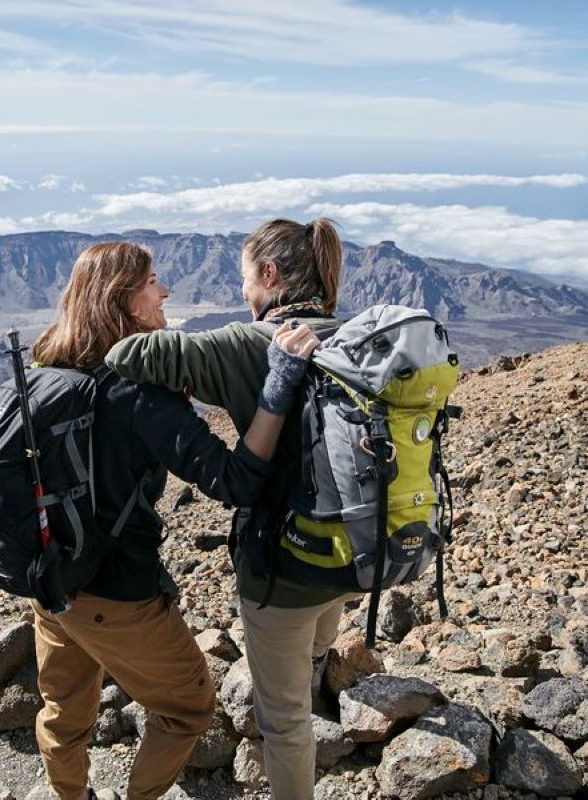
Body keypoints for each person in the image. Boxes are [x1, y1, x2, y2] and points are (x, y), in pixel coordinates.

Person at [26, 241, 320, 800]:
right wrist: (278, 387)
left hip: (47, 578)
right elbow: (234, 482)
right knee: (189, 707)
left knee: (64, 709)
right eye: (154, 282)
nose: (166, 292)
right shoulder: (140, 392)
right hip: (116, 594)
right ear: (125, 301)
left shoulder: (47, 370)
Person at [105, 218, 348, 800]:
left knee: (285, 723)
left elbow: (127, 353)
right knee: (310, 649)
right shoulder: (349, 336)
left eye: (244, 278)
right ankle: (314, 667)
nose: (242, 292)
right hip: (351, 553)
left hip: (282, 569)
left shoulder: (248, 345)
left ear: (268, 275)